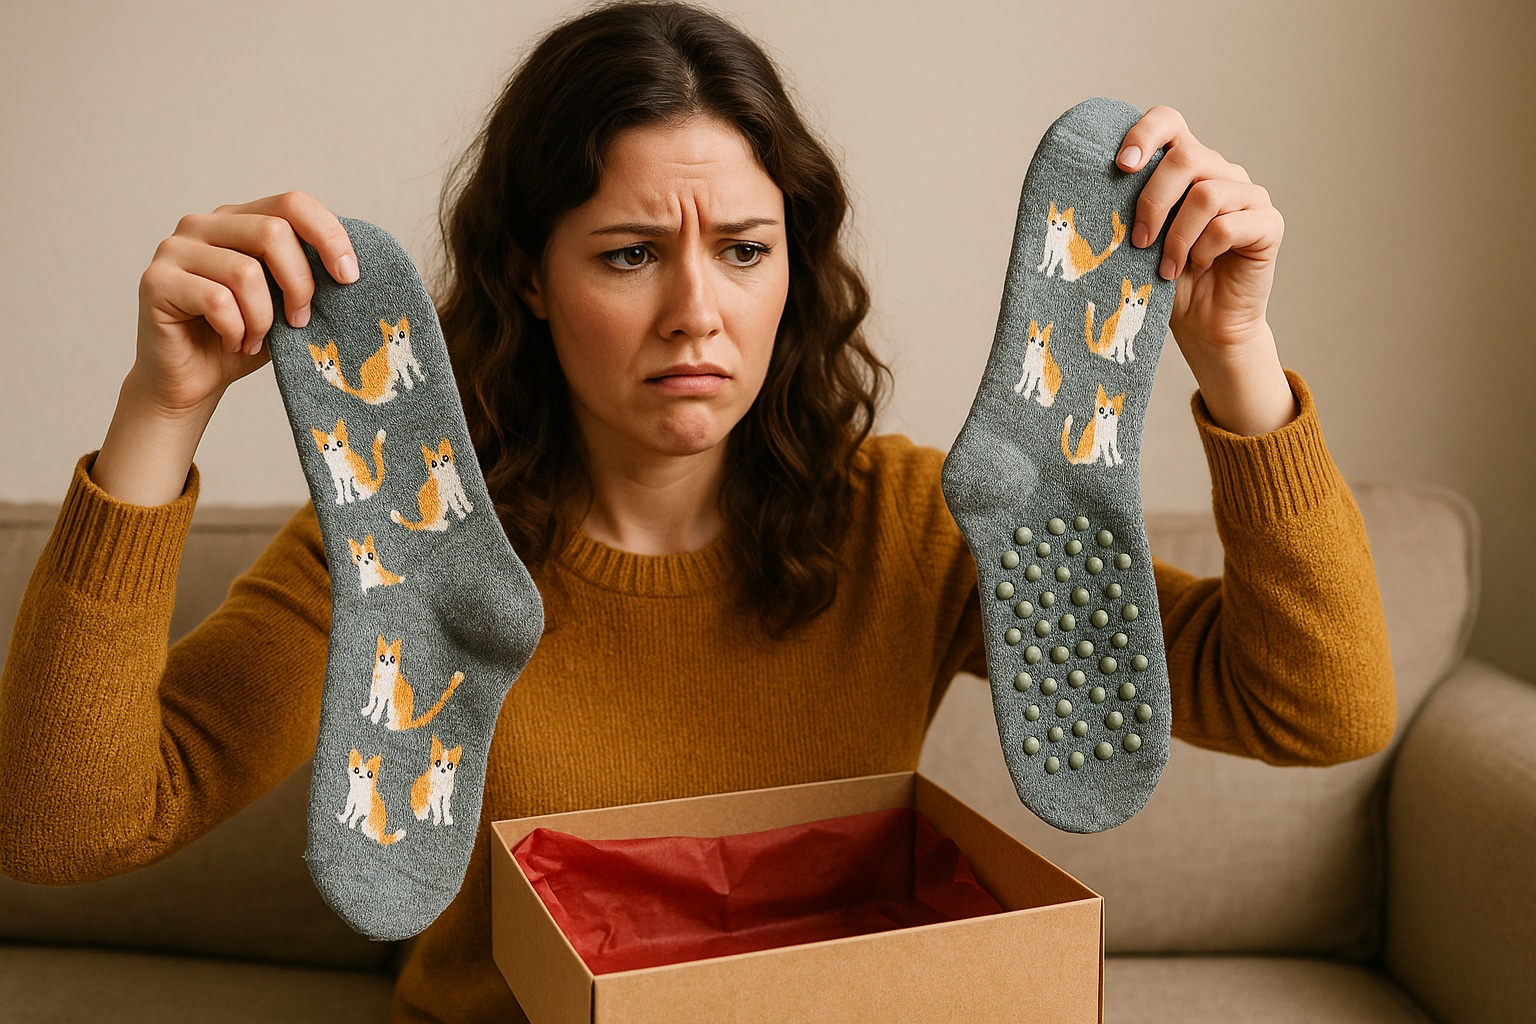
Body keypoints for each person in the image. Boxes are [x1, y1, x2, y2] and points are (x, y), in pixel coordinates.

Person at [0, 2, 1394, 1021]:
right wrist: (162, 409)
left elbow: (1317, 708)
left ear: (796, 267)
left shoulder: (909, 528)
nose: (698, 315)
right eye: (626, 254)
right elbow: (68, 826)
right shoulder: (403, 556)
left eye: (743, 250)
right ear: (532, 277)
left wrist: (1234, 356)